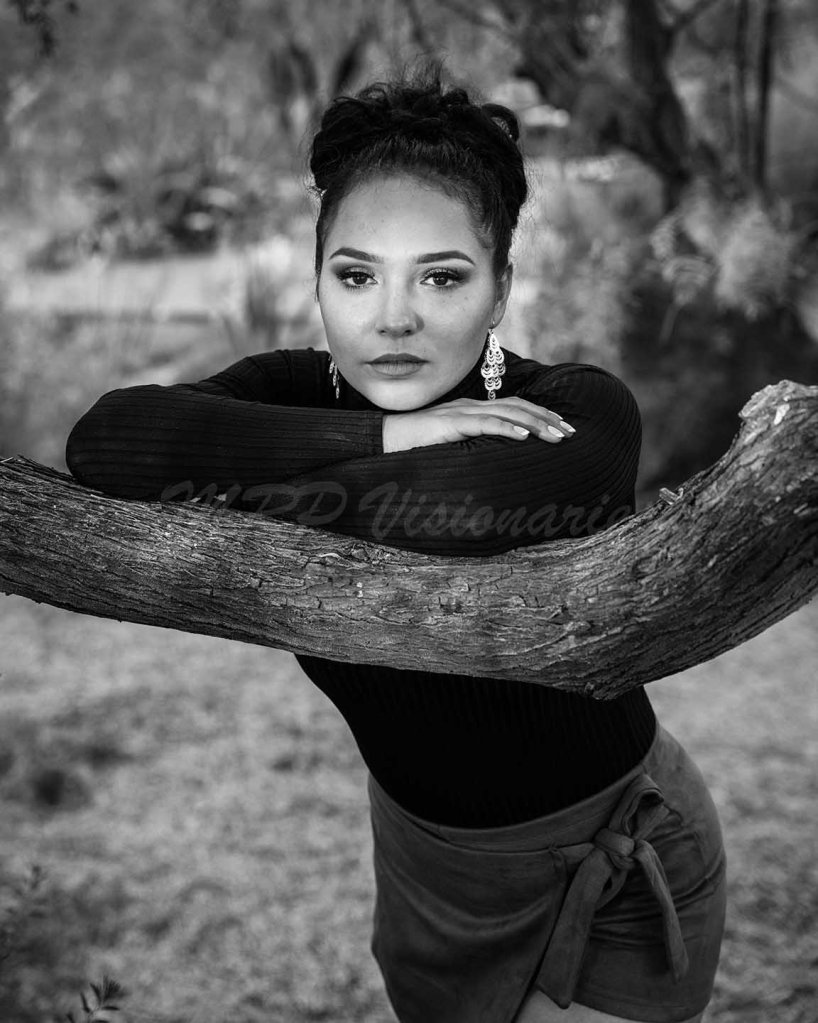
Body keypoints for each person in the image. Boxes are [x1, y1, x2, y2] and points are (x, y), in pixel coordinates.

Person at [65, 69, 726, 1023]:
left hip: (610, 855)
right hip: (424, 865)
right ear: (319, 282)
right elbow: (108, 441)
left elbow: (453, 507)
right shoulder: (296, 389)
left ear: (499, 291)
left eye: (443, 276)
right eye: (357, 275)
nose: (393, 318)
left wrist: (241, 480)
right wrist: (384, 434)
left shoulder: (573, 411)